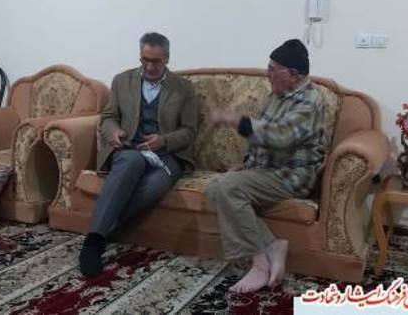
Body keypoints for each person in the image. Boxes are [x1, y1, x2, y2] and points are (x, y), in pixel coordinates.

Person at [205, 39, 326, 293]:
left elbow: (280, 136)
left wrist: (234, 119)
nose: (266, 74)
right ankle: (272, 245)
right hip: (268, 170)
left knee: (228, 188)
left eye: (272, 69)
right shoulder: (278, 94)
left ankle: (259, 263)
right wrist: (245, 165)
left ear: (293, 74)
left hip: (292, 175)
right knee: (215, 188)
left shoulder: (311, 101)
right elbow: (262, 138)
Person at [79, 32, 198, 278]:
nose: (149, 66)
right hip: (129, 149)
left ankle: (104, 226)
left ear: (167, 59)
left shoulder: (183, 88)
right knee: (131, 162)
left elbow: (189, 131)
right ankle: (93, 242)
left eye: (156, 61)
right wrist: (113, 131)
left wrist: (163, 140)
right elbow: (108, 117)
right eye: (145, 60)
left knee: (155, 186)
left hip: (166, 155)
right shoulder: (122, 80)